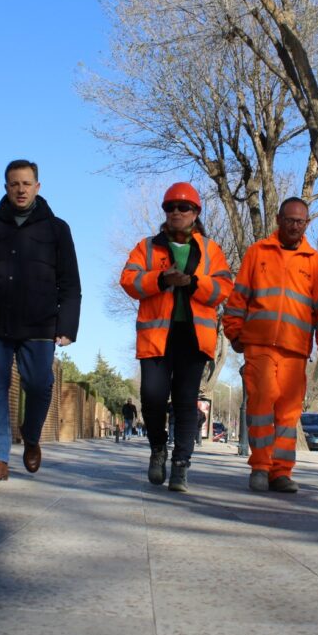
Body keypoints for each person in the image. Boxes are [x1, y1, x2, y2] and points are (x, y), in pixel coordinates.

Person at [0, 159, 81, 482]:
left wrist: (67, 325)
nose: (20, 190)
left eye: (26, 184)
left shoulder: (57, 229)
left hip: (40, 322)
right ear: (6, 187)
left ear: (37, 187)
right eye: (14, 184)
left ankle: (32, 434)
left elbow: (70, 283)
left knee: (40, 384)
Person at [223, 197, 318, 493]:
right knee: (261, 403)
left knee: (288, 412)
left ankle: (281, 472)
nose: (294, 226)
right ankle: (260, 467)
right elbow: (239, 297)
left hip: (295, 349)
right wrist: (234, 331)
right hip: (259, 344)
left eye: (300, 221)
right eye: (289, 220)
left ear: (307, 223)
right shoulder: (257, 252)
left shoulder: (315, 262)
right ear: (278, 220)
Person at [120, 183, 232, 492]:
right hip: (156, 336)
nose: (176, 212)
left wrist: (192, 283)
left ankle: (181, 464)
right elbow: (128, 280)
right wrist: (160, 279)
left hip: (193, 337)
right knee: (152, 398)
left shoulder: (211, 250)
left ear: (195, 213)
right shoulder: (147, 247)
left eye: (184, 207)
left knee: (185, 402)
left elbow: (223, 288)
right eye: (170, 207)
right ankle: (158, 448)